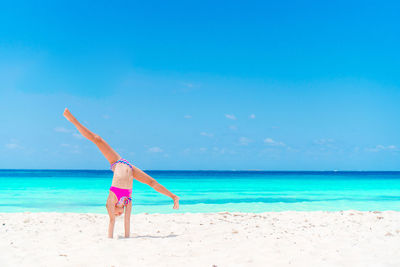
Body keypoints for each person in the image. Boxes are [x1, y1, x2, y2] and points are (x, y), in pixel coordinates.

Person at [63, 108, 179, 238]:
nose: (119, 215)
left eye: (115, 213)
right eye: (120, 214)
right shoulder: (128, 201)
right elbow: (127, 221)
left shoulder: (112, 199)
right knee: (152, 182)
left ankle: (72, 119)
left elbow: (111, 220)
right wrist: (126, 237)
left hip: (117, 162)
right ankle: (174, 196)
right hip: (130, 168)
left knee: (98, 139)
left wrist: (110, 237)